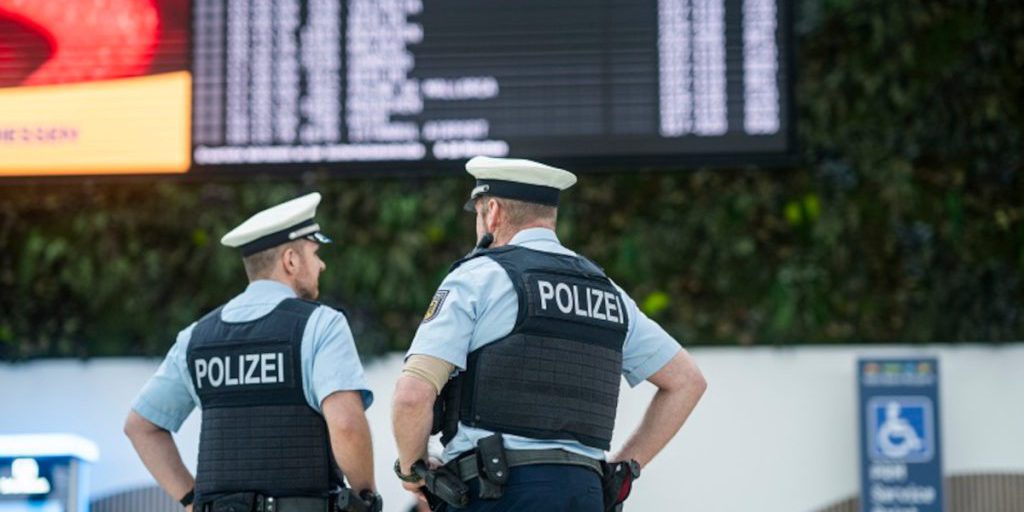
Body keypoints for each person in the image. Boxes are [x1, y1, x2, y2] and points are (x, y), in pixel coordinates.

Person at [391, 157, 707, 511]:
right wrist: (623, 469)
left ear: (492, 212)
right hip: (584, 493)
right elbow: (686, 381)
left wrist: (412, 470)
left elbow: (412, 396)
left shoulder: (478, 278)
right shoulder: (607, 291)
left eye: (477, 215)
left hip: (497, 492)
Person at [124, 192, 381, 512]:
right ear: (291, 260)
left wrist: (192, 501)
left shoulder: (196, 337)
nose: (322, 264)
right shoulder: (320, 324)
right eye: (315, 254)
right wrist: (364, 499)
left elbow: (140, 426)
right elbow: (346, 424)